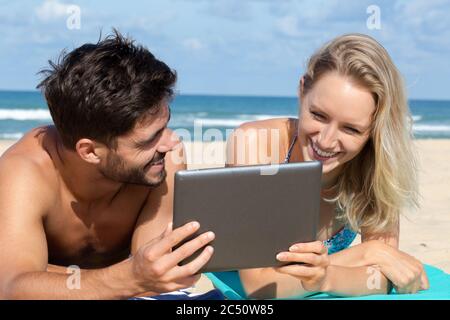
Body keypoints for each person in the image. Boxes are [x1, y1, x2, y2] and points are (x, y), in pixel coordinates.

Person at [0, 31, 216, 299]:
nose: (171, 143)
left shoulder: (163, 163)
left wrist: (50, 275)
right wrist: (129, 277)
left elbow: (152, 280)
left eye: (166, 125)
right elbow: (12, 288)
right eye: (149, 139)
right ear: (89, 151)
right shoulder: (26, 172)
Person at [225, 33, 430, 298]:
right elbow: (259, 287)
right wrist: (368, 253)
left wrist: (323, 277)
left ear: (374, 132)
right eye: (318, 115)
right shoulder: (254, 145)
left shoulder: (376, 170)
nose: (326, 140)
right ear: (302, 91)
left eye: (351, 129)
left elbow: (383, 278)